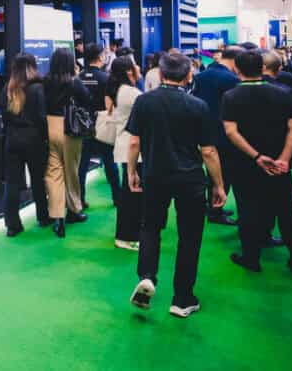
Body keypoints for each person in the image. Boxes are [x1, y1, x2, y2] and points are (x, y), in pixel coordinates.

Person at [126, 52, 227, 318]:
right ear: (188, 75)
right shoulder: (198, 106)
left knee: (150, 227)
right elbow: (208, 151)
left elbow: (134, 142)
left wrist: (131, 171)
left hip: (154, 175)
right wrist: (218, 184)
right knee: (189, 236)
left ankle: (147, 276)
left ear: (160, 74)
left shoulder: (144, 102)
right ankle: (182, 299)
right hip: (190, 179)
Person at [221, 50, 292, 275]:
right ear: (263, 68)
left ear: (236, 69)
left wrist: (256, 157)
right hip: (280, 165)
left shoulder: (231, 96)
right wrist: (284, 159)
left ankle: (251, 258)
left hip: (246, 164)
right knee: (287, 211)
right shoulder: (284, 94)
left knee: (248, 210)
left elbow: (231, 132)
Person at [190, 47, 242, 226]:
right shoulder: (232, 79)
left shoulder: (202, 75)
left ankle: (213, 207)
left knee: (211, 171)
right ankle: (216, 210)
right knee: (223, 172)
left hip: (202, 127)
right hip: (223, 130)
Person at [44, 47, 93, 237]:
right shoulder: (74, 82)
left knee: (53, 172)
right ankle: (74, 210)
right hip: (69, 128)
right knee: (71, 170)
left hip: (49, 126)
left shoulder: (45, 81)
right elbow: (87, 99)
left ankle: (58, 218)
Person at [1, 53, 50, 236]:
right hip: (34, 141)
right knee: (38, 180)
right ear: (33, 66)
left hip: (12, 141)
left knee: (12, 183)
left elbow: (4, 117)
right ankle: (43, 216)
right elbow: (41, 117)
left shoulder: (8, 88)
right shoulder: (38, 88)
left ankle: (12, 225)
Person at [105, 56, 142, 251]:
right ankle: (125, 236)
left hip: (125, 146)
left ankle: (128, 234)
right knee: (131, 196)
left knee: (130, 195)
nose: (138, 67)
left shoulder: (119, 89)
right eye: (134, 64)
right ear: (129, 70)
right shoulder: (130, 92)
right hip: (132, 149)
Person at [78, 43, 121, 208]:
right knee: (110, 162)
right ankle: (117, 198)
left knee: (82, 164)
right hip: (103, 125)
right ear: (100, 57)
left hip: (82, 125)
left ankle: (80, 200)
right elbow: (111, 103)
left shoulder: (79, 77)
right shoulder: (106, 78)